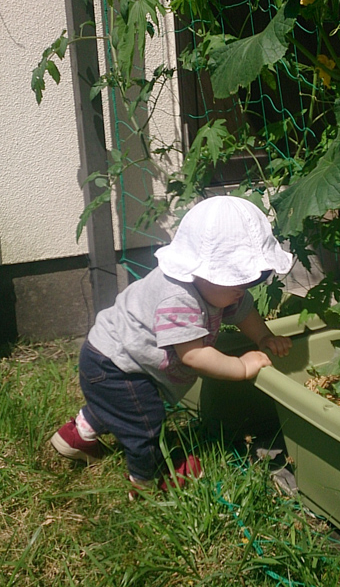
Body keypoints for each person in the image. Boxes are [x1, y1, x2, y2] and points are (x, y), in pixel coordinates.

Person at [50, 196, 293, 493]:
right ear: (203, 272)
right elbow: (194, 355)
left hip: (113, 359)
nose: (242, 292)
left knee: (119, 406)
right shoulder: (178, 298)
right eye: (237, 283)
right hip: (116, 366)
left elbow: (243, 312)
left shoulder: (217, 290)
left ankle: (77, 437)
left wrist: (263, 337)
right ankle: (147, 478)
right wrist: (242, 366)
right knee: (145, 422)